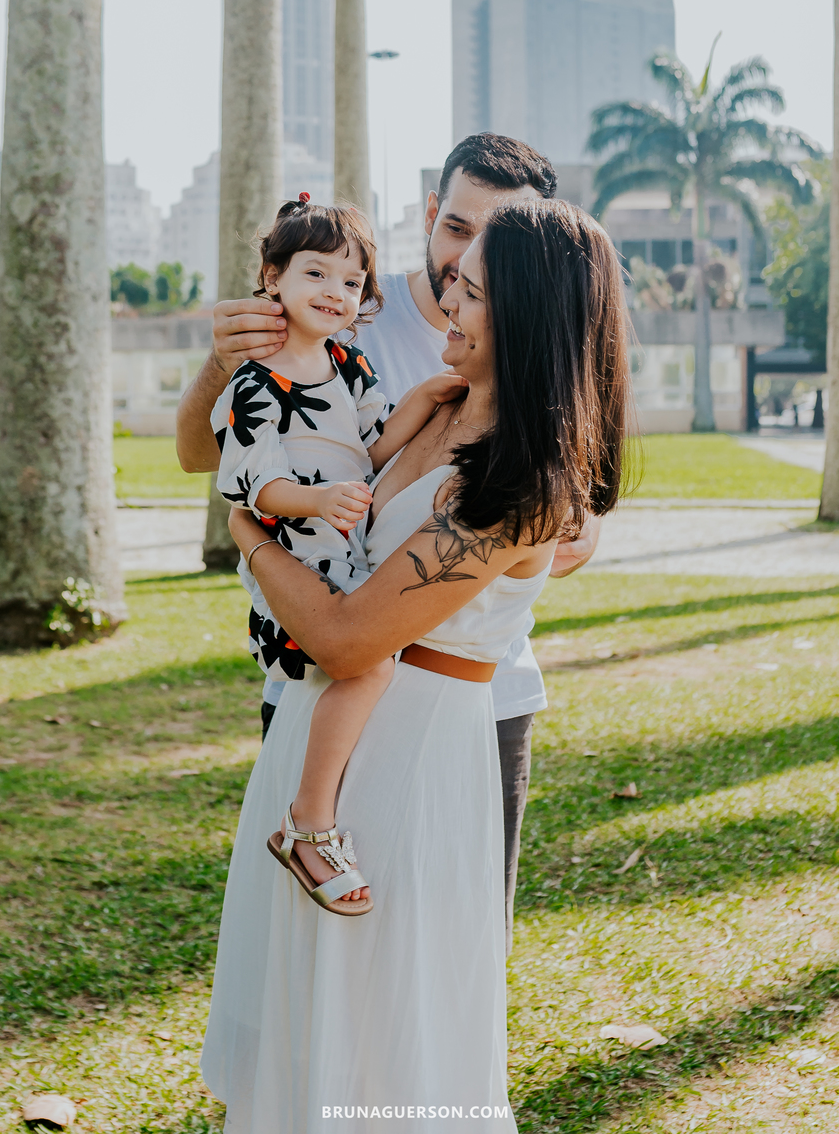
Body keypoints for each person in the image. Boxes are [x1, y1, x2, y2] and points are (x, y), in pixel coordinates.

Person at [201, 199, 632, 1128]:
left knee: (380, 1056)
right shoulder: (429, 407)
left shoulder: (519, 483)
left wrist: (250, 535)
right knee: (305, 1038)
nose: (447, 303)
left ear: (521, 318)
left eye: (470, 293)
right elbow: (259, 441)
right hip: (320, 746)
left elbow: (351, 638)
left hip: (408, 772)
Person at [176, 132, 602, 946]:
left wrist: (556, 534)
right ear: (432, 213)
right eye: (458, 230)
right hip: (323, 665)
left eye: (495, 244)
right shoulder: (344, 312)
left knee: (448, 945)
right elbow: (206, 453)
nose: (467, 262)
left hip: (477, 691)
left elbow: (577, 504)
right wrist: (222, 364)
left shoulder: (546, 344)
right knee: (317, 956)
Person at [213, 194, 465, 912]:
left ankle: (323, 814)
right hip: (294, 552)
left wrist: (428, 397)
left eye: (350, 283)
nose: (334, 293)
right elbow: (251, 484)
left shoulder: (347, 363)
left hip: (342, 550)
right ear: (272, 277)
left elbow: (377, 446)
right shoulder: (256, 381)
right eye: (316, 274)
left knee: (376, 659)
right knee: (367, 661)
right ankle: (309, 822)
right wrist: (318, 500)